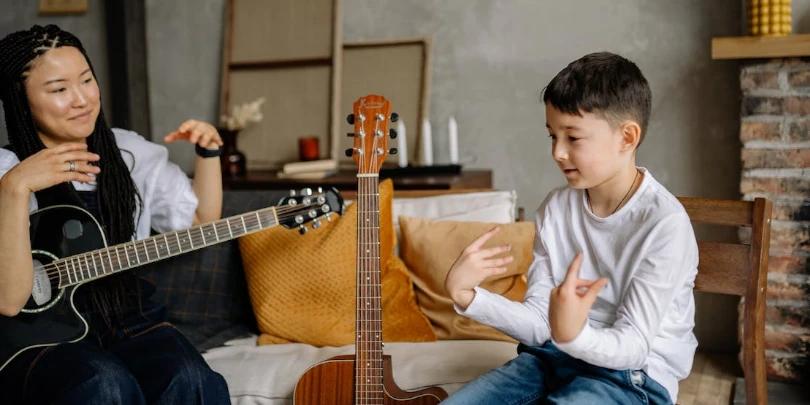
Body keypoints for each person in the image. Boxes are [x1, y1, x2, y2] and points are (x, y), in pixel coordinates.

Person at [443, 52, 699, 404]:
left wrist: (573, 335)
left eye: (573, 138)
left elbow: (635, 346)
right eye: (552, 136)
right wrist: (467, 296)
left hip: (633, 378)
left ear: (627, 137)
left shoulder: (664, 224)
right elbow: (540, 322)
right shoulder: (556, 209)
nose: (558, 153)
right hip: (554, 357)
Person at [0, 24, 230, 404]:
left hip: (126, 317)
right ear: (21, 100)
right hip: (38, 335)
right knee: (102, 383)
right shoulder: (6, 171)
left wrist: (208, 153)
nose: (82, 100)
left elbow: (200, 222)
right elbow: (8, 300)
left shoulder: (129, 153)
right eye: (59, 89)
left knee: (190, 377)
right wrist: (15, 187)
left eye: (87, 80)